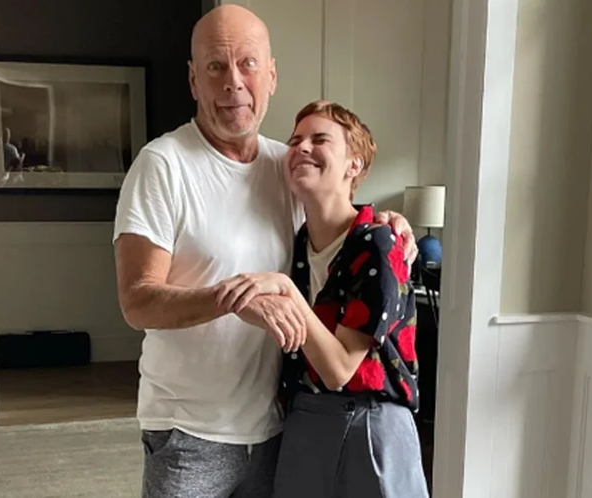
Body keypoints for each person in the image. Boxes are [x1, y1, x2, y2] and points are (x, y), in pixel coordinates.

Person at [112, 5, 418, 498]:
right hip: (190, 431)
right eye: (215, 66)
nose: (233, 82)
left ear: (271, 75)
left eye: (247, 63)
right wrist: (233, 300)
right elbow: (137, 301)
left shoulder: (287, 165)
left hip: (279, 427)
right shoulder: (163, 165)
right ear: (193, 80)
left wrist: (389, 223)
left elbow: (337, 223)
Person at [218, 101, 430, 497]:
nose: (301, 147)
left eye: (320, 140)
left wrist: (285, 290)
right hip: (304, 422)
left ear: (354, 165)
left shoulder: (378, 243)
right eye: (295, 140)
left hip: (369, 424)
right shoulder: (298, 242)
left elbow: (339, 370)